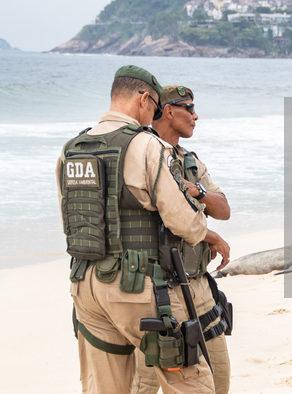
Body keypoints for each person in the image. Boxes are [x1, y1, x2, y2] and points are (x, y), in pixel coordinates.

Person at [56, 66, 215, 394]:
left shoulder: (73, 148)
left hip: (85, 288)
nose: (153, 115)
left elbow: (69, 220)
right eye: (155, 107)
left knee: (106, 388)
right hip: (137, 286)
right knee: (191, 384)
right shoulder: (146, 145)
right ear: (144, 99)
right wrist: (201, 224)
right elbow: (184, 221)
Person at [131, 85, 232, 394]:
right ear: (169, 110)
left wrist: (196, 190)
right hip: (156, 288)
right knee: (144, 385)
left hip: (197, 285)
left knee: (218, 380)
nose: (195, 115)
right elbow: (161, 218)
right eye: (189, 108)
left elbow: (224, 208)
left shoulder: (189, 162)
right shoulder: (139, 154)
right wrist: (209, 234)